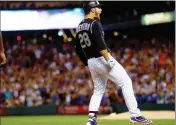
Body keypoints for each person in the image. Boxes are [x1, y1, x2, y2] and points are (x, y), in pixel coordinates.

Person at [74, 1, 152, 125]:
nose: (100, 9)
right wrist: (108, 59)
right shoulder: (95, 23)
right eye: (98, 7)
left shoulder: (78, 27)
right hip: (102, 58)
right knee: (126, 82)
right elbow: (100, 44)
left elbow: (78, 49)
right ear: (92, 10)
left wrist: (87, 63)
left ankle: (91, 119)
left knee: (98, 90)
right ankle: (135, 114)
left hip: (91, 61)